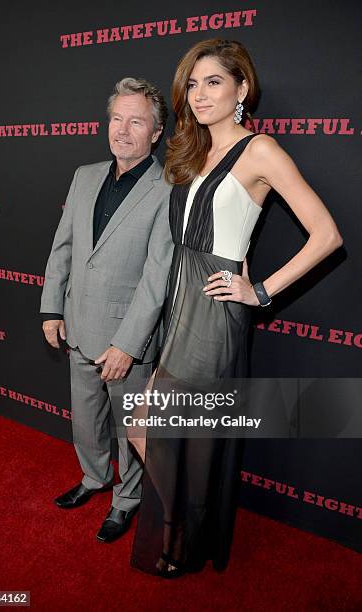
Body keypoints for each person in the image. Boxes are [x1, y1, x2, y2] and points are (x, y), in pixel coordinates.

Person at [127, 39, 343, 577]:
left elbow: (326, 235)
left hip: (214, 312)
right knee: (149, 426)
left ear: (242, 88)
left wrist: (261, 291)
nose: (199, 95)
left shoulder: (260, 150)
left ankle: (182, 540)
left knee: (186, 434)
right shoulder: (191, 150)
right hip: (181, 303)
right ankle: (182, 531)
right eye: (192, 84)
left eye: (214, 82)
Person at [40, 77, 174, 543]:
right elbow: (63, 248)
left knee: (128, 431)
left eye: (136, 121)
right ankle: (93, 478)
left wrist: (127, 344)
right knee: (85, 417)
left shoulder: (169, 187)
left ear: (156, 132)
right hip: (78, 326)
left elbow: (158, 276)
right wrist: (51, 309)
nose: (122, 129)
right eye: (117, 118)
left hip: (126, 342)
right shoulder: (84, 175)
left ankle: (126, 500)